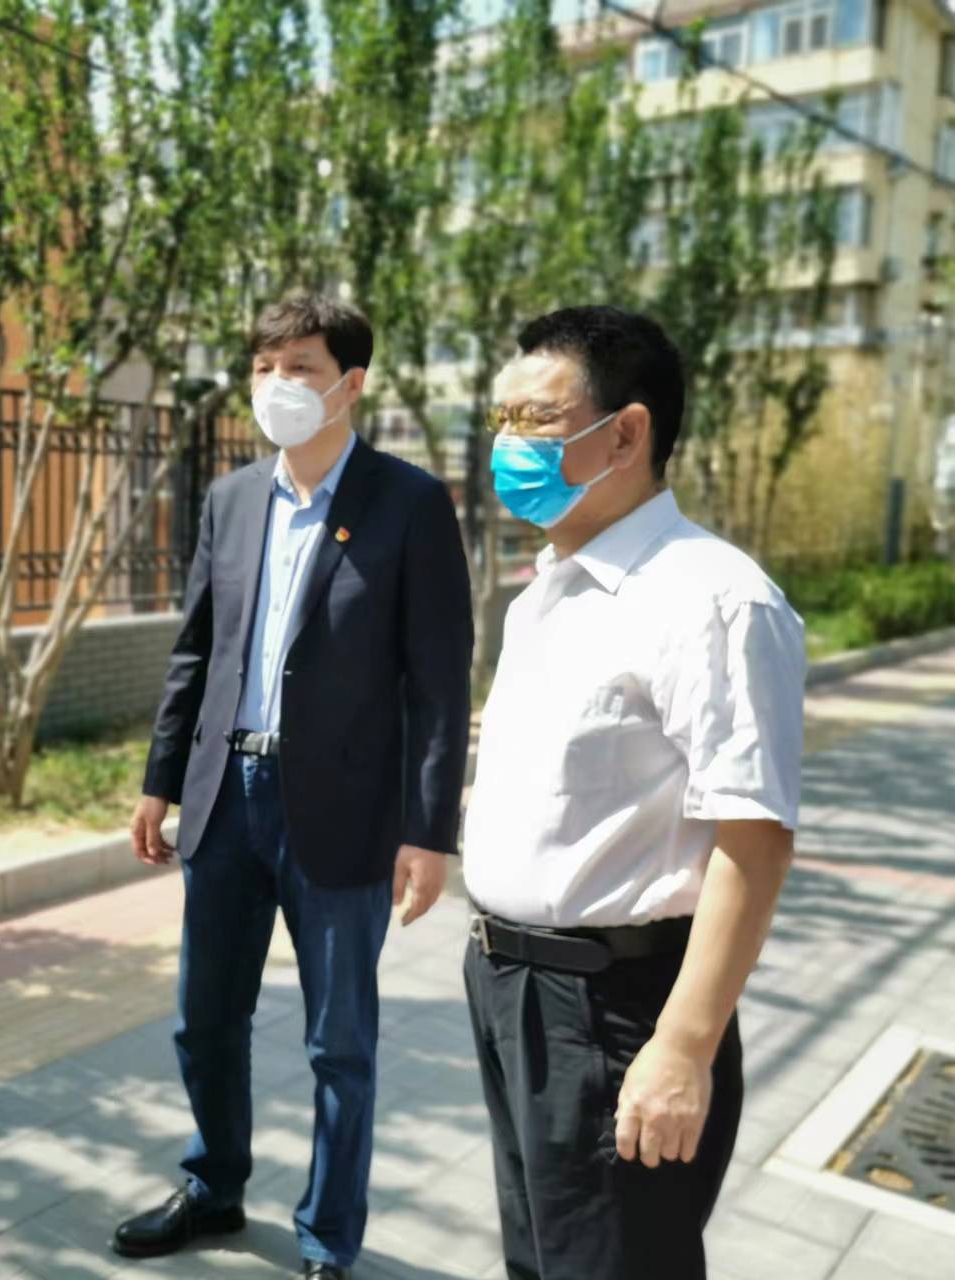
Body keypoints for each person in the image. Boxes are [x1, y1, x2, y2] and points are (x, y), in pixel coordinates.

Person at [113, 295, 473, 1280]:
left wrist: (428, 829)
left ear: (349, 383)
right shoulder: (231, 499)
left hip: (344, 810)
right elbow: (196, 649)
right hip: (224, 797)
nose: (278, 384)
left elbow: (440, 681)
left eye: (301, 366)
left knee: (337, 1043)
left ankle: (327, 1235)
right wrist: (158, 781)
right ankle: (213, 1185)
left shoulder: (408, 503)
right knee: (203, 1020)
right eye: (264, 366)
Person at [463, 306, 804, 1280]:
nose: (507, 444)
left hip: (616, 1010)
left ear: (626, 433)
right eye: (500, 419)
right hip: (509, 989)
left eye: (536, 419)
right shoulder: (547, 589)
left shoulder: (711, 599)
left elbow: (752, 837)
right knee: (540, 1260)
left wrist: (683, 1045)